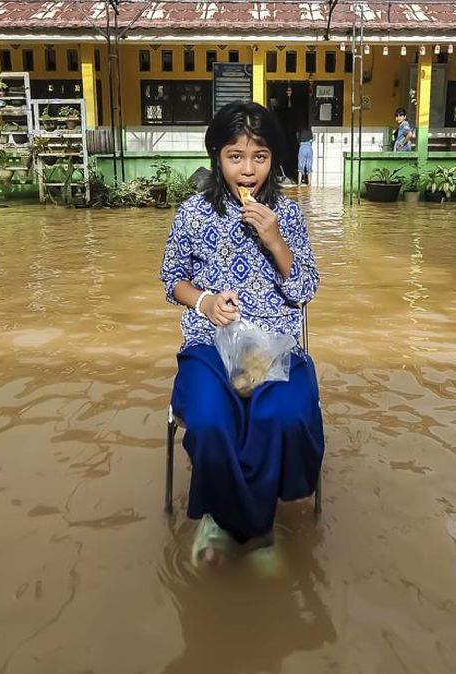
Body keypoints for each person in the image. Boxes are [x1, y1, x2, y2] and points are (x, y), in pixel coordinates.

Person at [159, 101, 323, 565]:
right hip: (209, 345)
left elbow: (306, 288)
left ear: (274, 159)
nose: (248, 170)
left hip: (275, 345)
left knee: (284, 418)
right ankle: (230, 522)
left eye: (260, 156)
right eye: (235, 156)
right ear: (217, 157)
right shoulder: (192, 213)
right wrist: (206, 302)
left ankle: (255, 525)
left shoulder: (286, 214)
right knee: (211, 421)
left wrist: (275, 241)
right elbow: (172, 280)